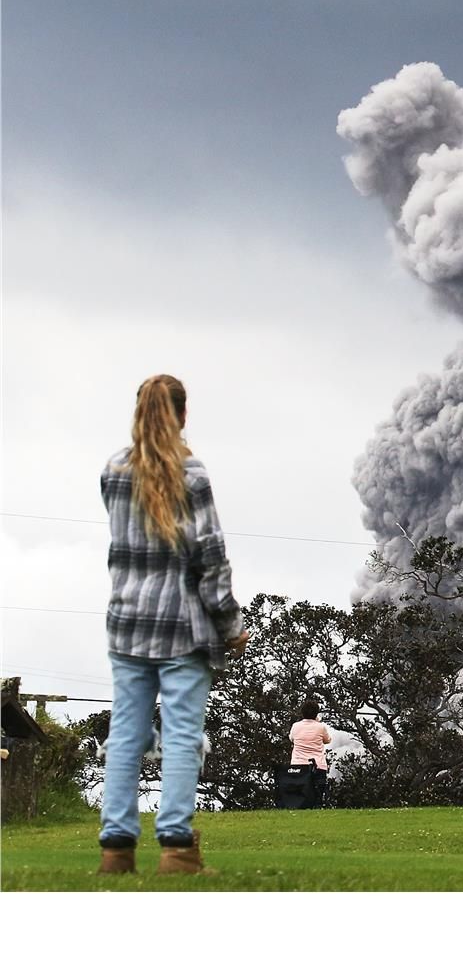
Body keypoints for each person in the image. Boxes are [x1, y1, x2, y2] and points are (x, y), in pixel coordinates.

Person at [97, 375, 248, 875]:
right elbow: (210, 558)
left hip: (127, 622)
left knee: (125, 733)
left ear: (137, 413)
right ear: (183, 416)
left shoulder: (114, 471)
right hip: (182, 626)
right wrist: (230, 622)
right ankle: (177, 848)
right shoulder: (193, 474)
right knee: (182, 735)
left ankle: (116, 848)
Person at [288, 697, 333, 808]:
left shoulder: (295, 726)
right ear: (316, 713)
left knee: (300, 795)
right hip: (318, 765)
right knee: (317, 795)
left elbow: (291, 738)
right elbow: (328, 740)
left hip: (298, 765)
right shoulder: (321, 727)